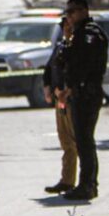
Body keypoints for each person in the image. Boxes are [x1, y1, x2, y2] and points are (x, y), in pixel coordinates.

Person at [57, 0, 109, 201]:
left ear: (84, 11)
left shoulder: (88, 34)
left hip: (86, 92)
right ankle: (88, 184)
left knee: (84, 141)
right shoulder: (81, 33)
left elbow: (76, 63)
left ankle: (87, 185)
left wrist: (68, 41)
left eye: (73, 12)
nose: (69, 16)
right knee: (83, 140)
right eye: (67, 12)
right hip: (83, 91)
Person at [41, 16, 78, 194]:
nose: (67, 28)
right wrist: (50, 89)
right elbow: (49, 70)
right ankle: (67, 180)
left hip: (73, 100)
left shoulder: (79, 48)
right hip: (60, 100)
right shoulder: (61, 46)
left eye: (70, 25)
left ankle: (80, 182)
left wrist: (67, 92)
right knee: (65, 140)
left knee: (76, 141)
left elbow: (79, 74)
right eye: (65, 26)